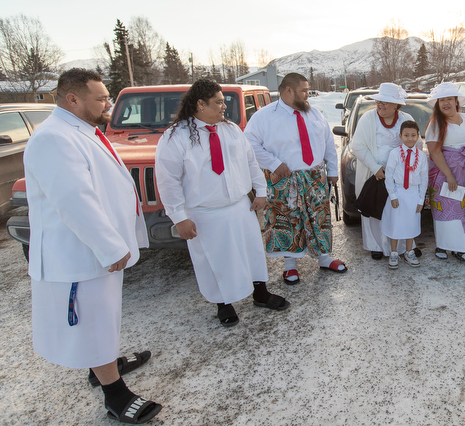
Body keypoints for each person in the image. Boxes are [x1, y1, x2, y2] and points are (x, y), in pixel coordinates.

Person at [23, 68, 162, 423]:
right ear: (73, 99)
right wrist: (108, 246)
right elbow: (74, 199)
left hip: (97, 250)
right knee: (92, 320)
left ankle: (103, 363)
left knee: (103, 317)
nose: (108, 104)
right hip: (80, 254)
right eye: (100, 98)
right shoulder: (54, 138)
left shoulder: (84, 132)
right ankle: (114, 395)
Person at [155, 79, 290, 327]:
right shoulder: (175, 137)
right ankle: (223, 304)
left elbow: (250, 162)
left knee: (251, 253)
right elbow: (168, 180)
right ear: (200, 104)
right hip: (204, 213)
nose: (223, 107)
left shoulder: (230, 129)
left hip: (239, 207)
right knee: (215, 261)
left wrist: (260, 190)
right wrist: (179, 217)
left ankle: (260, 294)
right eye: (218, 102)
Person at [245, 73, 347, 284]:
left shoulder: (315, 114)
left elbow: (328, 141)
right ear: (288, 90)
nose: (307, 95)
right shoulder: (264, 117)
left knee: (319, 219)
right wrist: (274, 164)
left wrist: (332, 171)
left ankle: (324, 258)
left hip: (315, 179)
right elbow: (249, 144)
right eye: (303, 90)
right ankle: (290, 266)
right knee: (288, 221)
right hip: (284, 180)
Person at [350, 83, 422, 260]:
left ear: (396, 105)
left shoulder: (406, 118)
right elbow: (357, 146)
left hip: (400, 175)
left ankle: (406, 246)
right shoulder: (368, 118)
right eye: (379, 101)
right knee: (376, 208)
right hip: (374, 173)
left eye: (386, 102)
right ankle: (376, 246)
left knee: (400, 210)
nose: (381, 105)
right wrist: (375, 168)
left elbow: (416, 143)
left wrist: (405, 167)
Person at [425, 82, 465, 261]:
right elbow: (434, 152)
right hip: (444, 173)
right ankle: (443, 245)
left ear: (456, 101)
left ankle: (462, 247)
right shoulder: (435, 124)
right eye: (442, 100)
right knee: (447, 210)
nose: (446, 103)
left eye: (449, 99)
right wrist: (449, 175)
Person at [381, 121, 428, 269]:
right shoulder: (395, 154)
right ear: (400, 136)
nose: (410, 138)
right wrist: (393, 196)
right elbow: (388, 176)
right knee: (395, 224)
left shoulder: (421, 156)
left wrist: (421, 199)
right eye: (406, 135)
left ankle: (409, 252)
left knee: (411, 224)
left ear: (418, 136)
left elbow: (424, 178)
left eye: (413, 135)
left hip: (413, 194)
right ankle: (393, 252)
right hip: (398, 192)